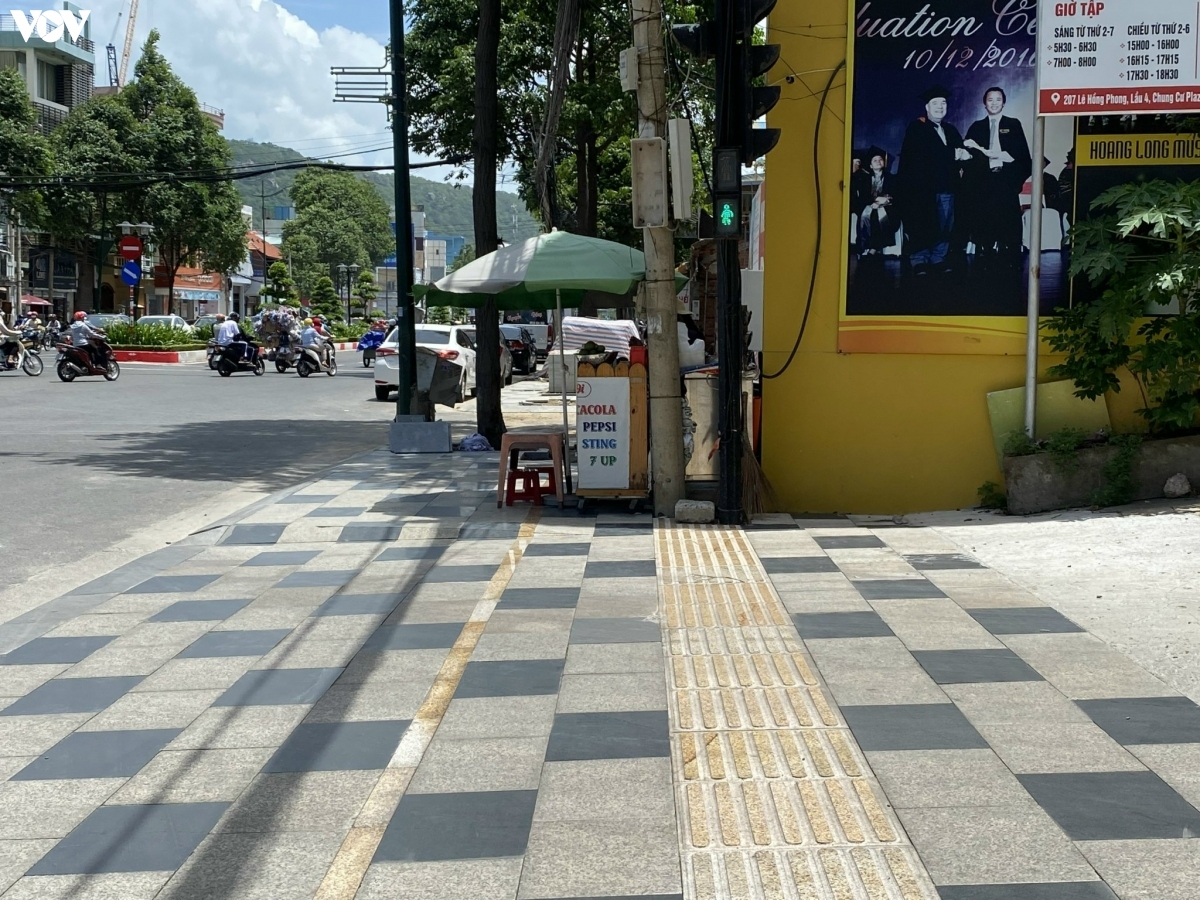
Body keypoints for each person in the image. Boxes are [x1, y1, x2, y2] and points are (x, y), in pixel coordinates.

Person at [898, 84, 972, 275]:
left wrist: (968, 153)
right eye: (936, 103)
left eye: (943, 103)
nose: (940, 107)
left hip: (949, 186)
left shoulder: (950, 129)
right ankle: (919, 259)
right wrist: (954, 153)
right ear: (927, 107)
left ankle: (938, 257)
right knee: (923, 224)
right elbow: (924, 153)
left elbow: (961, 152)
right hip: (924, 189)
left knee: (946, 225)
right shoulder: (917, 128)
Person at [963, 86, 1032, 265]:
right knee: (984, 220)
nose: (994, 103)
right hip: (983, 183)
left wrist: (1014, 181)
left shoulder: (1013, 124)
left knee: (1008, 222)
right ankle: (984, 253)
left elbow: (1024, 157)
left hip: (1006, 181)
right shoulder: (976, 127)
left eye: (998, 99)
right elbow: (968, 159)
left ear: (1004, 103)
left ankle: (1009, 257)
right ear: (984, 104)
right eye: (990, 100)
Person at [857, 147, 899, 256]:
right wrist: (875, 200)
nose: (878, 162)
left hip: (888, 207)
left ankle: (873, 249)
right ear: (870, 165)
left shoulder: (891, 178)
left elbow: (894, 195)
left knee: (881, 215)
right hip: (869, 205)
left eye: (880, 159)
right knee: (866, 215)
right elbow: (863, 196)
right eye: (874, 160)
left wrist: (883, 202)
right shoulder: (864, 179)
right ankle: (869, 247)